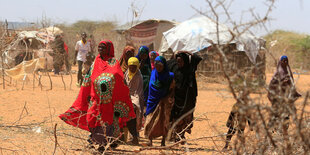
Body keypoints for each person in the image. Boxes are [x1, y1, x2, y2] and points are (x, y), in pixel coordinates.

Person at [59, 40, 136, 153]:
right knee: (92, 119)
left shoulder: (113, 62)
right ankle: (94, 140)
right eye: (99, 47)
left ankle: (103, 144)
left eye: (103, 48)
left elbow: (118, 77)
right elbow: (89, 77)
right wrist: (88, 90)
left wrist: (107, 83)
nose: (100, 49)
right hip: (94, 98)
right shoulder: (96, 61)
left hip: (108, 101)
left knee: (106, 122)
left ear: (109, 49)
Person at [168, 51, 202, 143]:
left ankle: (181, 134)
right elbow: (167, 63)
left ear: (185, 61)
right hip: (176, 97)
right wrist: (176, 54)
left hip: (188, 98)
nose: (179, 64)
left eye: (181, 61)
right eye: (178, 61)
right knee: (175, 117)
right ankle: (173, 135)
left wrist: (186, 52)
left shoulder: (190, 69)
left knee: (185, 117)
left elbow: (198, 58)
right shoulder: (174, 67)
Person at [144, 56, 175, 146]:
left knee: (163, 121)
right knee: (150, 120)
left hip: (164, 101)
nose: (158, 67)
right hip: (152, 101)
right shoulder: (153, 73)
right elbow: (150, 87)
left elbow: (172, 88)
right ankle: (149, 139)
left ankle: (163, 140)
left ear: (164, 66)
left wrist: (167, 98)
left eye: (160, 66)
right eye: (156, 65)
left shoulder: (169, 76)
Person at [267, 55, 301, 135]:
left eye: (286, 61)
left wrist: (294, 93)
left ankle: (283, 132)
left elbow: (292, 84)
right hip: (277, 98)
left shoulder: (288, 71)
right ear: (280, 62)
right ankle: (271, 132)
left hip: (286, 98)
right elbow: (272, 85)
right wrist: (282, 83)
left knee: (286, 115)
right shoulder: (278, 72)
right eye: (283, 61)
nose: (285, 62)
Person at [124, 57, 144, 144]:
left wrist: (134, 103)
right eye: (130, 67)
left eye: (134, 67)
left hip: (135, 98)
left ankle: (135, 136)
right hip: (126, 97)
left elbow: (137, 92)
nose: (132, 69)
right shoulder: (126, 74)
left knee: (132, 114)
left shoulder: (138, 76)